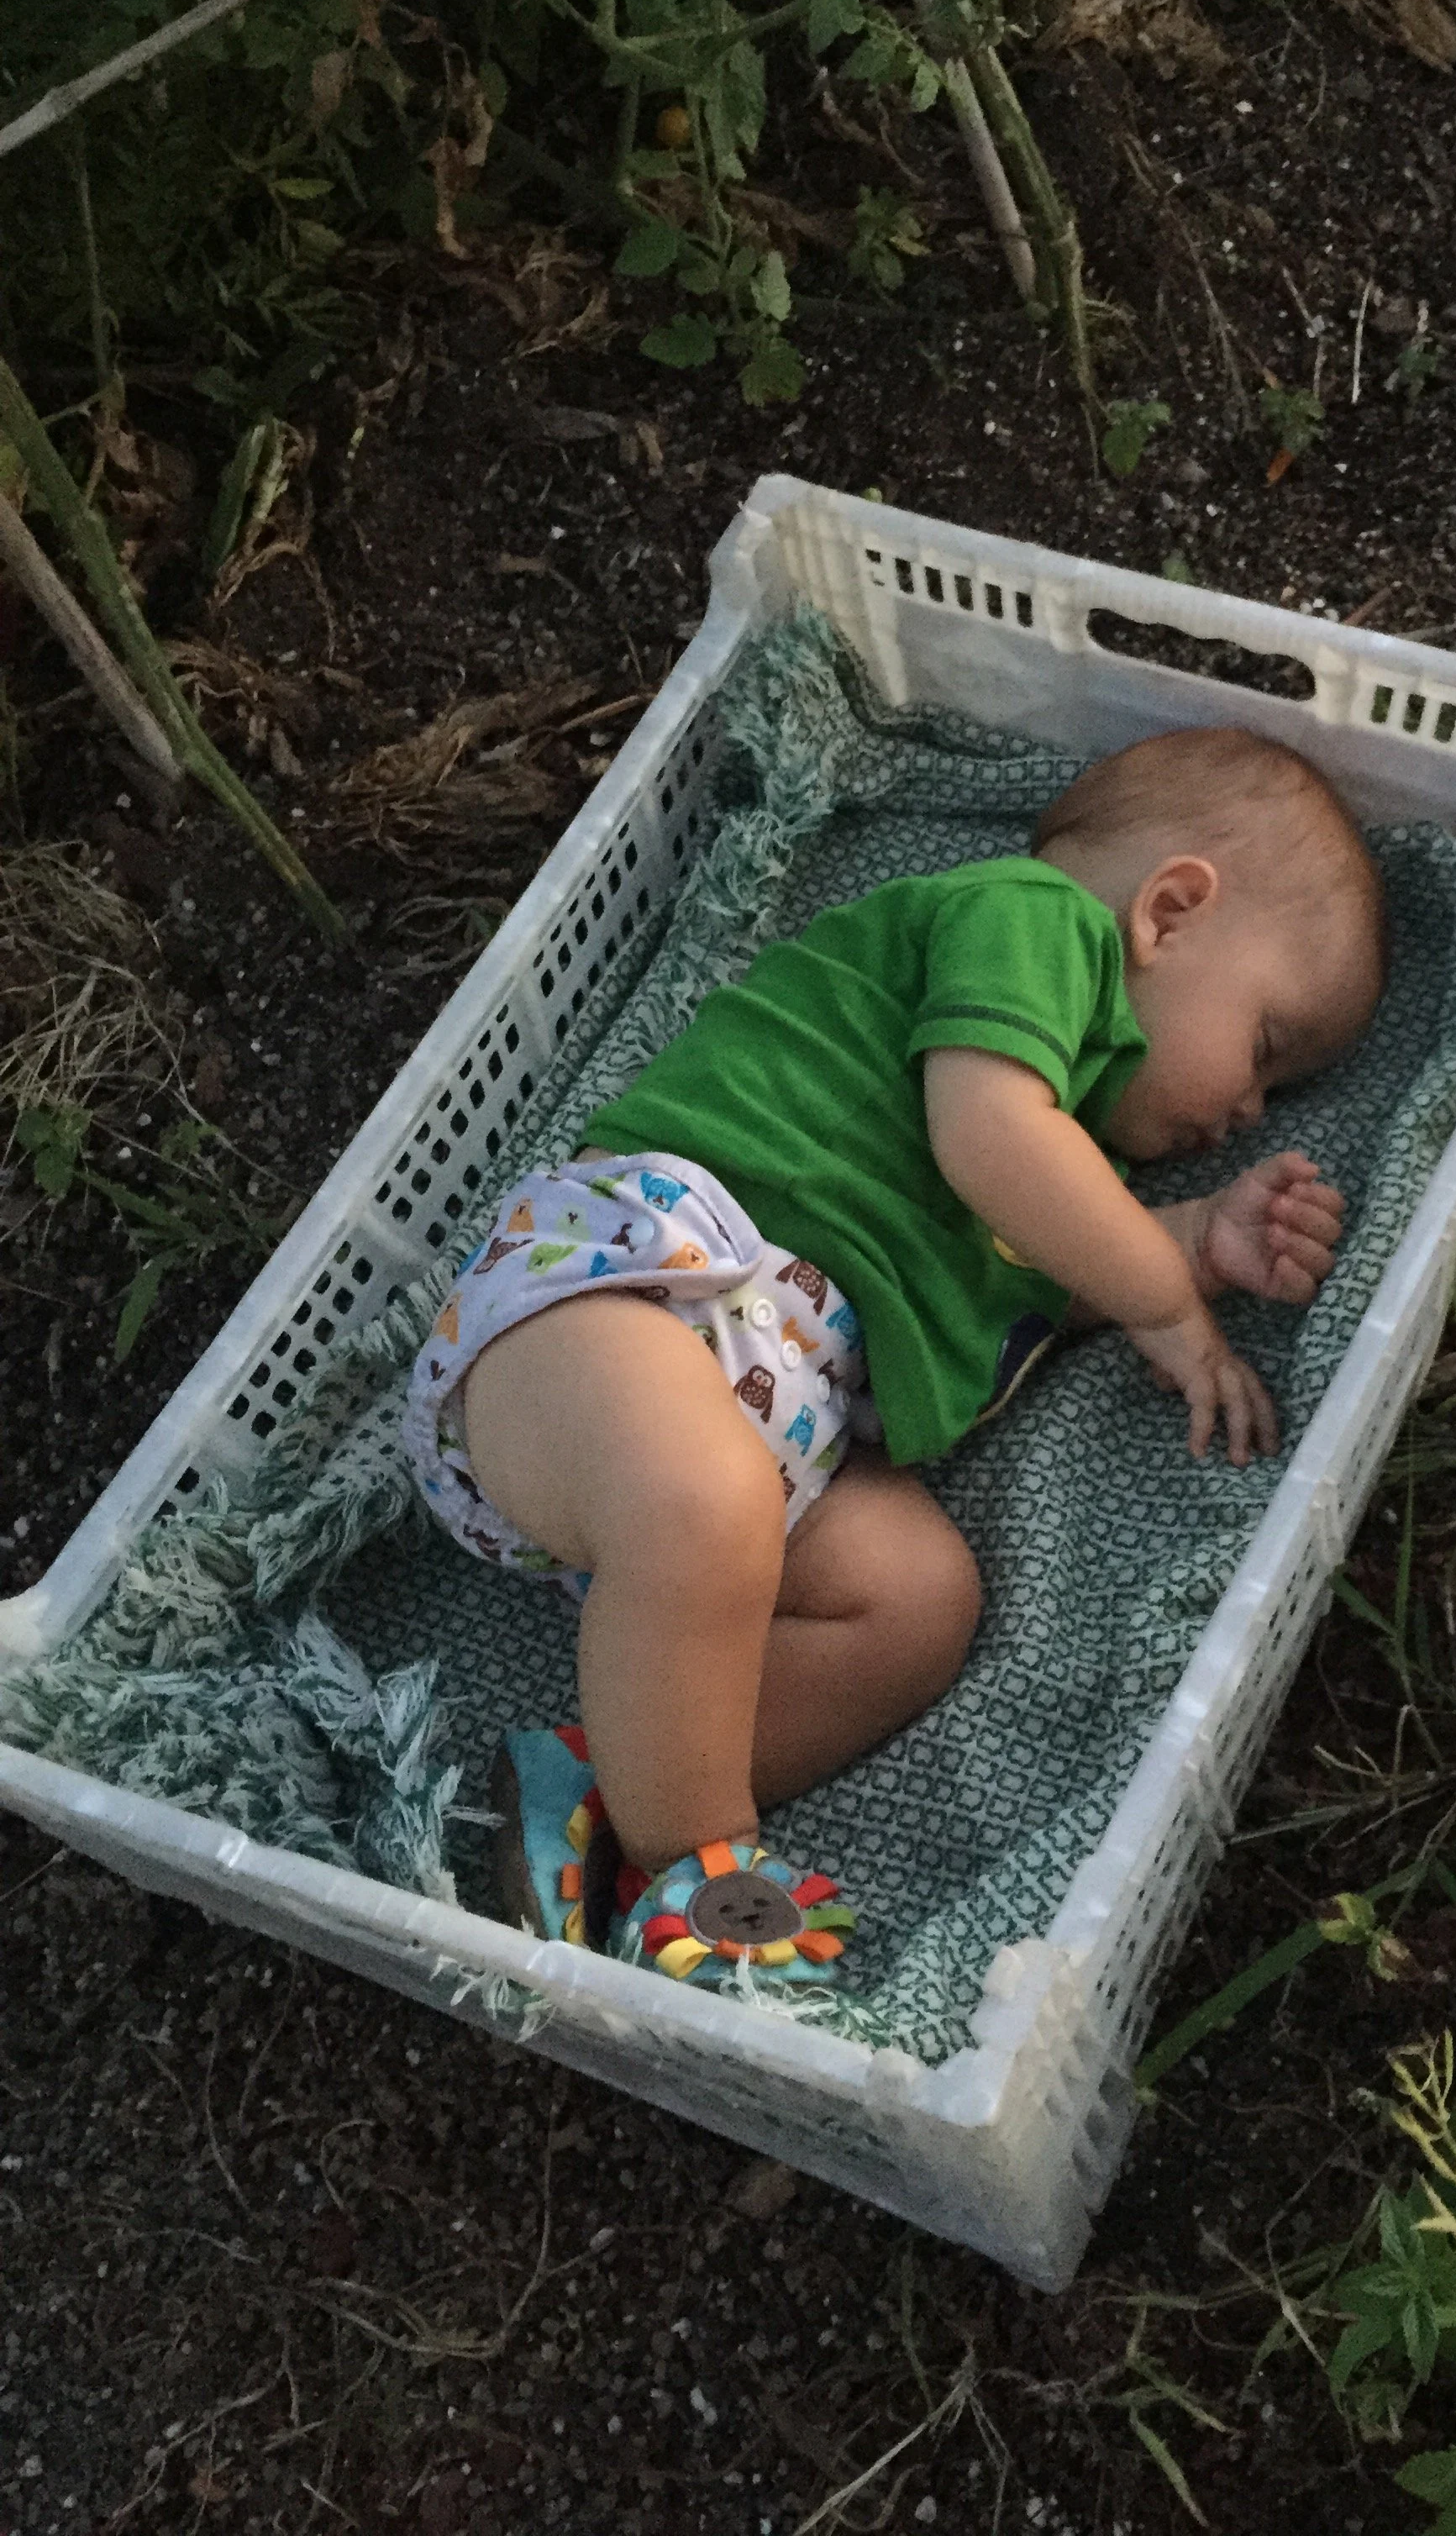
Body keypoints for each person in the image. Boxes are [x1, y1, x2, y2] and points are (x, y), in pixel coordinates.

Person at [402, 723, 1386, 1987]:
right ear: (1171, 911)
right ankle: (702, 1866)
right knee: (699, 1500)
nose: (1251, 1111)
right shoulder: (1031, 925)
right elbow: (992, 1140)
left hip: (775, 1413)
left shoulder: (1068, 1146)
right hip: (627, 1293)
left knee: (920, 1603)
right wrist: (1166, 1297)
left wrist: (1198, 1239)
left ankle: (597, 1777)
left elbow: (1032, 1259)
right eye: (1266, 1046)